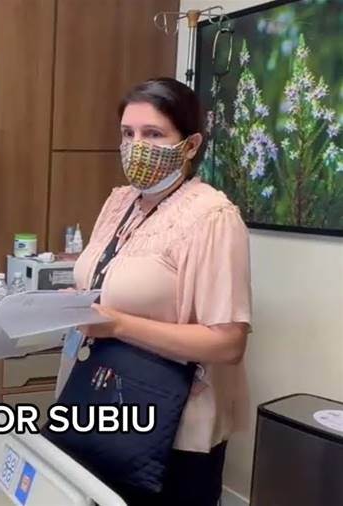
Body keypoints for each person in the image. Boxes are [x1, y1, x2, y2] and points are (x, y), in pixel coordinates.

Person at [58, 77, 252, 505]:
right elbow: (112, 283)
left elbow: (228, 343)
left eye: (153, 134)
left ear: (190, 144)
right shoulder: (120, 202)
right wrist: (75, 301)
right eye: (128, 134)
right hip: (103, 398)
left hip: (172, 425)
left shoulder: (212, 217)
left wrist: (117, 324)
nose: (136, 146)